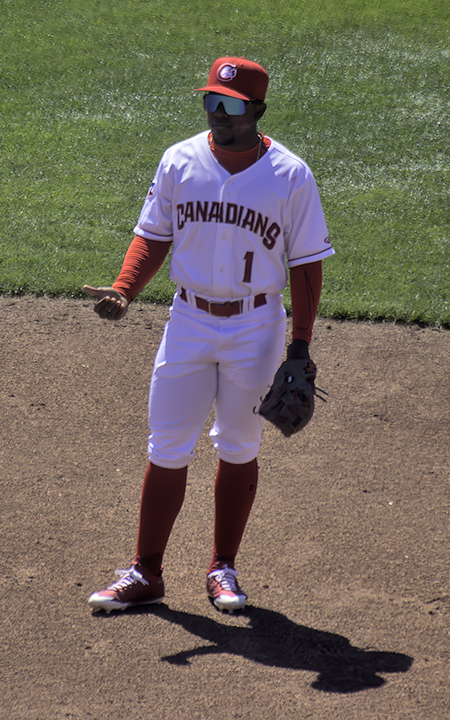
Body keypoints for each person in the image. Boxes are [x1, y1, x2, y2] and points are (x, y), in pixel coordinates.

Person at [83, 56, 333, 613]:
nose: (220, 115)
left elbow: (307, 267)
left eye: (233, 106)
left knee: (239, 446)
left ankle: (222, 567)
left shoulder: (291, 175)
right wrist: (125, 289)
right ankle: (145, 573)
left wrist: (300, 345)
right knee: (166, 446)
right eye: (211, 102)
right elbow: (153, 235)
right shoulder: (180, 160)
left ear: (258, 110)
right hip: (188, 323)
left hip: (257, 326)